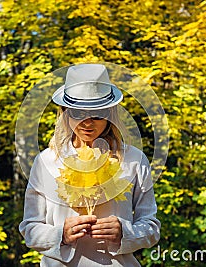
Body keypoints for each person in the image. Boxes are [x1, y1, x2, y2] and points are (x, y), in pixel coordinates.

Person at [19, 63, 160, 266]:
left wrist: (125, 232)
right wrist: (61, 234)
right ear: (65, 112)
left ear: (110, 112)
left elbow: (151, 227)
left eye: (97, 113)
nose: (87, 123)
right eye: (78, 113)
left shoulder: (134, 160)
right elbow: (30, 229)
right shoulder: (46, 162)